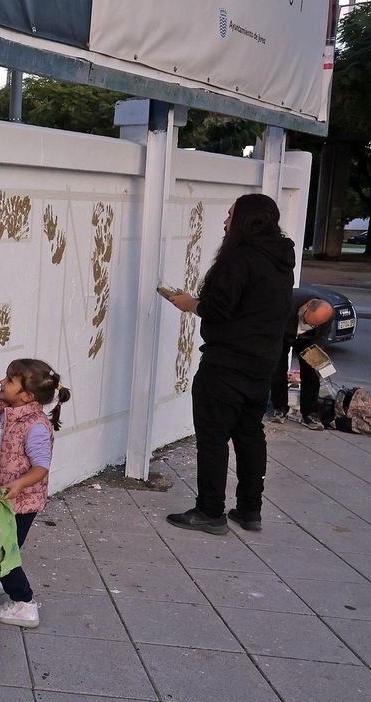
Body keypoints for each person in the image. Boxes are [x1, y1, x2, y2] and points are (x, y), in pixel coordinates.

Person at [160, 193, 296, 535]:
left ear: (247, 221)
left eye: (231, 215)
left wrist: (189, 302)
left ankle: (210, 511)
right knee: (251, 434)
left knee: (213, 437)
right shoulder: (280, 257)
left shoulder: (241, 258)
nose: (225, 222)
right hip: (262, 363)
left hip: (227, 363)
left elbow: (218, 308)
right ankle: (250, 510)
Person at [0, 359, 70, 629]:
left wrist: (19, 485)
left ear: (27, 396)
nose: (2, 382)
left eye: (10, 380)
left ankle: (24, 603)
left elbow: (41, 466)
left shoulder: (36, 426)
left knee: (5, 551)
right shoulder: (1, 412)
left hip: (20, 503)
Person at [269, 297, 334, 430]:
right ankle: (280, 408)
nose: (306, 325)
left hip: (309, 339)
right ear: (306, 307)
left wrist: (317, 359)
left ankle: (310, 413)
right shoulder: (287, 303)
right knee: (278, 369)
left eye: (312, 324)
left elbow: (321, 339)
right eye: (306, 321)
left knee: (311, 373)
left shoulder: (326, 312)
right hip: (283, 334)